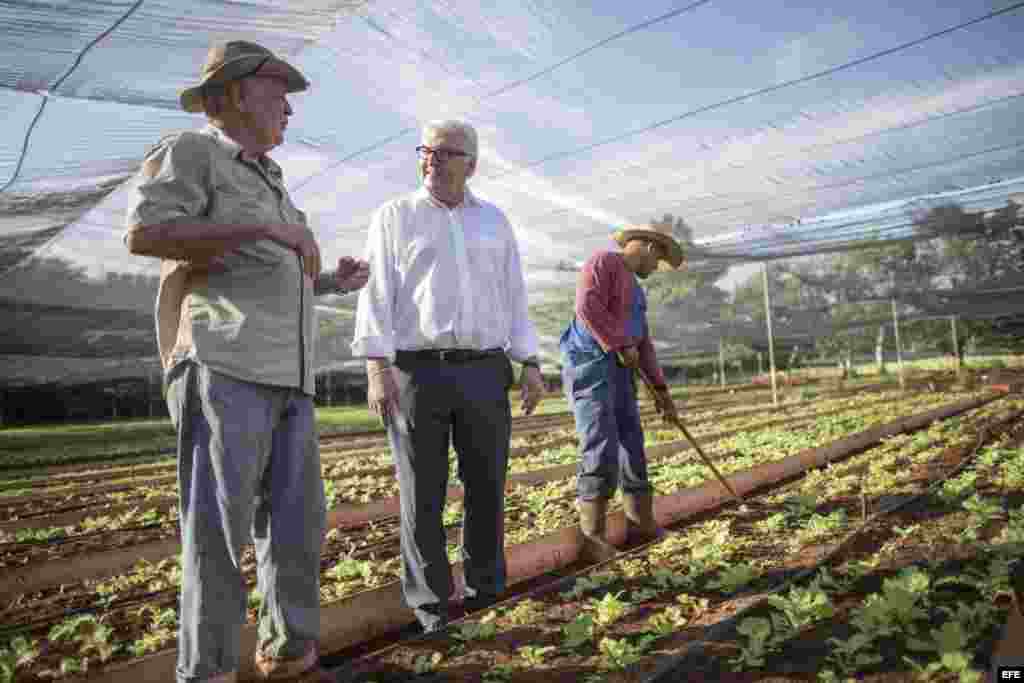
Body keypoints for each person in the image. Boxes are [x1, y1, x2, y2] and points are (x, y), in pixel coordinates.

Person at [124, 40, 369, 683]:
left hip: (290, 374)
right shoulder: (192, 152)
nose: (289, 108)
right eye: (277, 93)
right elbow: (145, 232)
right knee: (217, 533)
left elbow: (267, 272)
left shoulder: (272, 180)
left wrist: (331, 282)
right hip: (224, 365)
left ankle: (289, 659)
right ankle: (207, 671)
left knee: (297, 527)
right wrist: (264, 230)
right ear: (234, 95)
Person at [351, 119, 546, 634]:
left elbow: (514, 294)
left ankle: (487, 590)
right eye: (426, 150)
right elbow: (376, 294)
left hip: (485, 368)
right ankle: (432, 605)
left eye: (445, 152)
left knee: (487, 485)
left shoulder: (494, 222)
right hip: (417, 371)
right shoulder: (395, 216)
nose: (432, 159)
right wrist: (376, 366)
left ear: (471, 164)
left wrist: (529, 362)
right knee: (422, 492)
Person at [559, 224, 683, 562]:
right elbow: (587, 306)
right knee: (600, 443)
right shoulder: (603, 262)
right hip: (591, 366)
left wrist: (661, 392)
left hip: (621, 370)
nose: (656, 268)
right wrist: (618, 342)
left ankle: (640, 523)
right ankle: (592, 537)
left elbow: (643, 344)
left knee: (632, 442)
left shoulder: (637, 292)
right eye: (658, 260)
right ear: (647, 247)